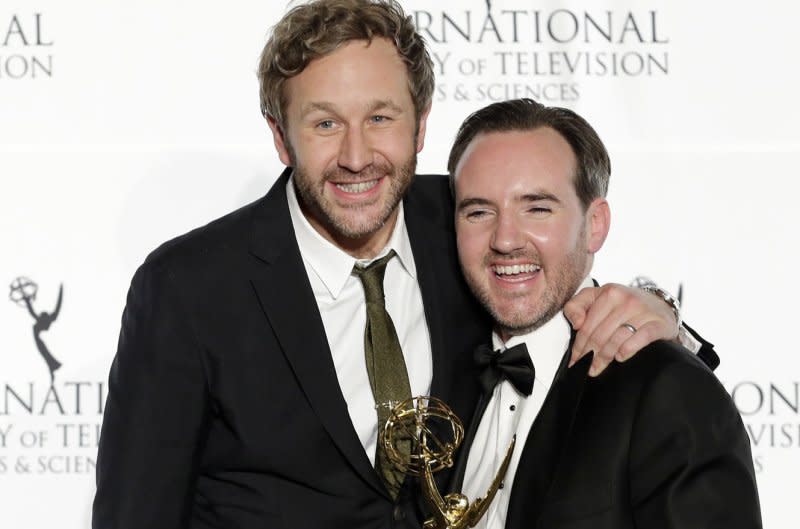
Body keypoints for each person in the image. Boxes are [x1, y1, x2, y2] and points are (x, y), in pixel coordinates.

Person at [91, 2, 717, 528]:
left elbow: (556, 282)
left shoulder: (467, 221)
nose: (357, 156)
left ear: (420, 125)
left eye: (381, 118)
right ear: (281, 138)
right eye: (325, 123)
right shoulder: (188, 288)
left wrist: (658, 312)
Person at [447, 98, 761, 529]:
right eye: (479, 211)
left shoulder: (666, 389)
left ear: (595, 225)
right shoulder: (442, 373)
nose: (505, 240)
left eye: (537, 208)